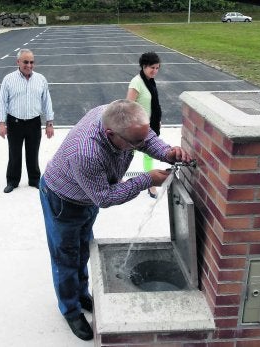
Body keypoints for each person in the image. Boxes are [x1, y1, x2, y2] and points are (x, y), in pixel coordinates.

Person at [39, 99, 192, 341]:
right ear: (110, 134)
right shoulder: (87, 152)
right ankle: (70, 309)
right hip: (63, 202)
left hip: (85, 197)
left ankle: (81, 294)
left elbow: (147, 137)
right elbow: (105, 197)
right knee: (66, 256)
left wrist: (167, 152)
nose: (141, 145)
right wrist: (146, 180)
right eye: (135, 143)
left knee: (83, 249)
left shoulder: (120, 117)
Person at [0, 48, 54, 193]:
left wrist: (49, 123)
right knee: (14, 154)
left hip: (34, 122)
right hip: (14, 123)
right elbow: (2, 102)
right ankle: (12, 181)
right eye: (25, 62)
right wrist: (1, 124)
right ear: (18, 62)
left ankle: (35, 180)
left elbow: (47, 102)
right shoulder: (8, 79)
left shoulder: (41, 79)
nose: (29, 65)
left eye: (32, 62)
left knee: (33, 153)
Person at [126, 52, 162, 199]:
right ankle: (116, 178)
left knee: (148, 155)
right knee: (127, 154)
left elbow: (152, 104)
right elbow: (128, 106)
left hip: (149, 126)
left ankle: (151, 184)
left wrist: (156, 119)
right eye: (152, 67)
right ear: (143, 66)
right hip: (138, 127)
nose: (155, 71)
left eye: (157, 68)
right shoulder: (137, 82)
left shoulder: (150, 81)